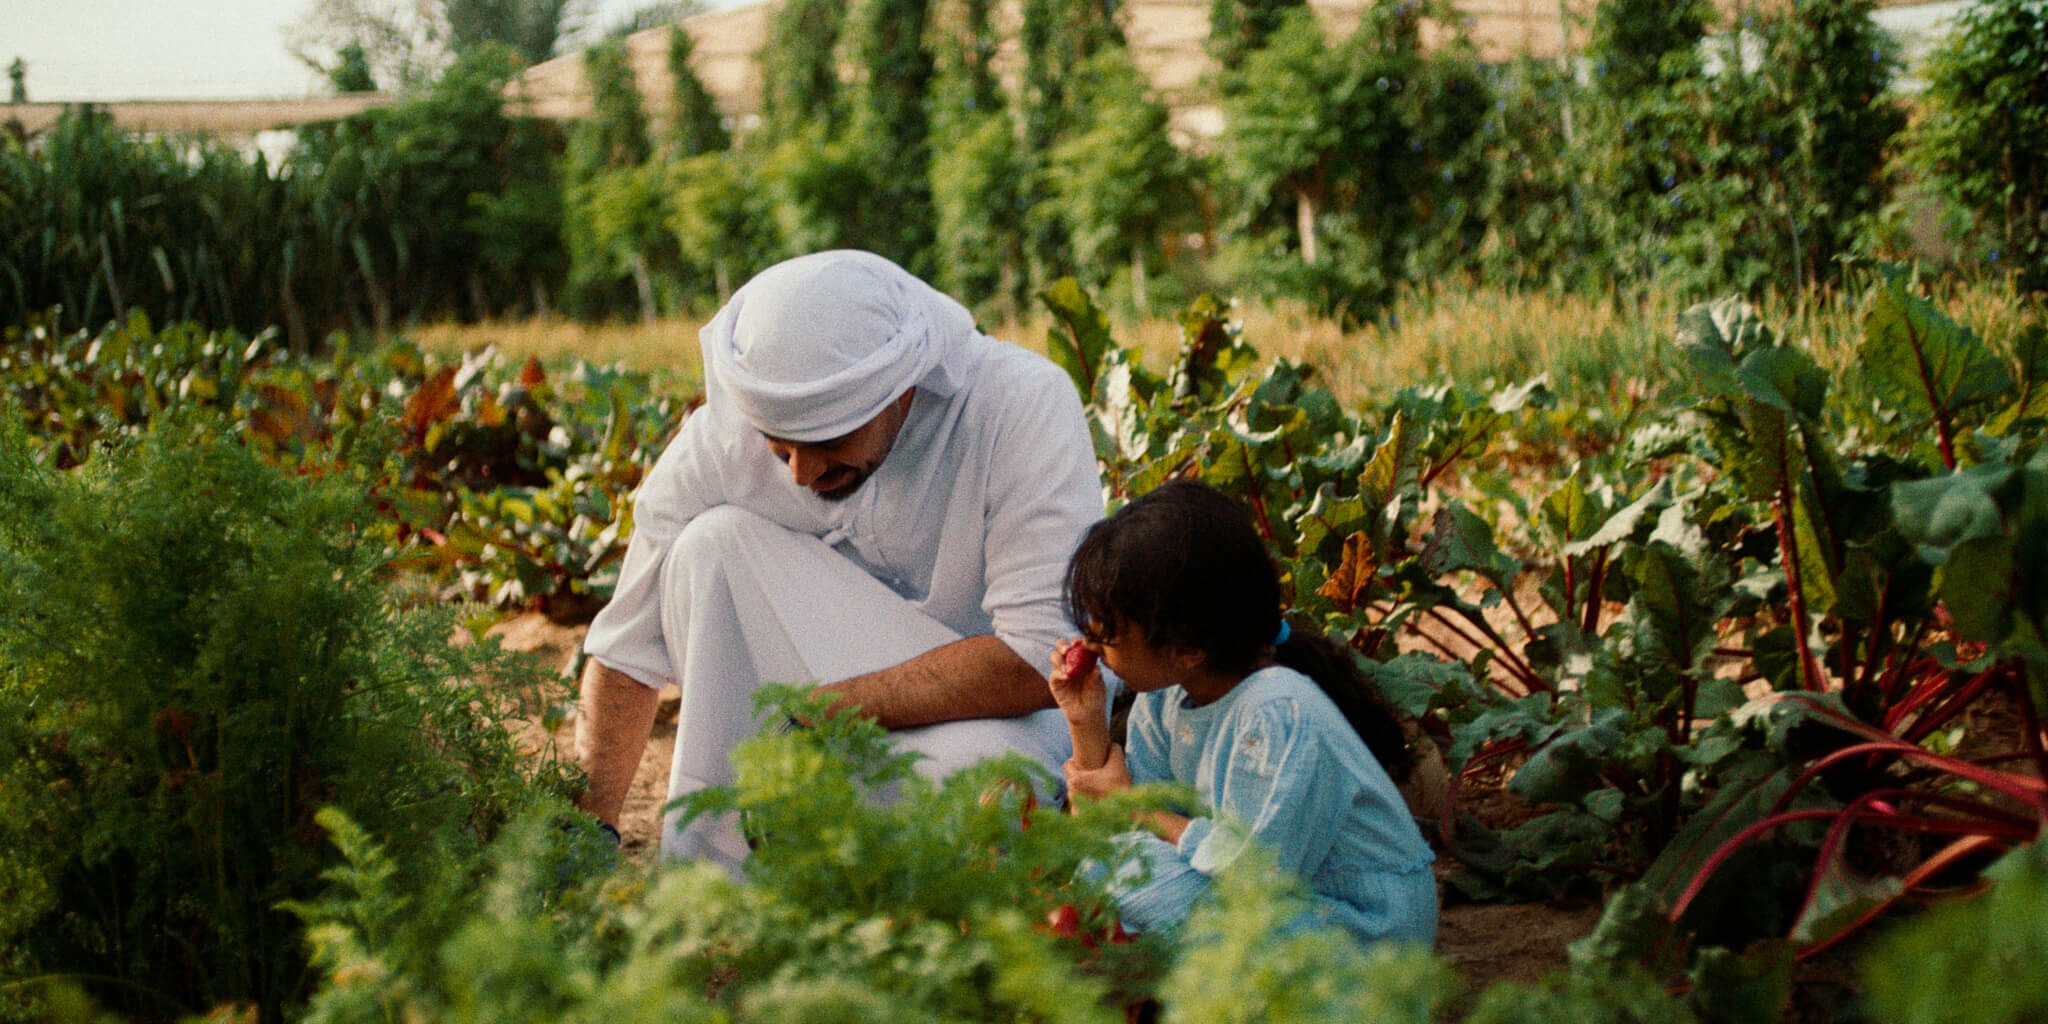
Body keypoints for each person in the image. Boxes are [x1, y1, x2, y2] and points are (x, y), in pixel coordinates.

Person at [575, 250, 1102, 868]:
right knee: (705, 547)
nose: (801, 473)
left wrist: (821, 714)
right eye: (779, 450)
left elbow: (1045, 655)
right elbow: (626, 644)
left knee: (973, 796)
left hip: (998, 723)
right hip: (817, 719)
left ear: (900, 390)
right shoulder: (722, 440)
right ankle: (717, 871)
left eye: (827, 443)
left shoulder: (1017, 404)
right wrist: (585, 834)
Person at [1048, 479, 1437, 948]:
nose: (1089, 644)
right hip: (1269, 899)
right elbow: (1111, 828)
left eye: (1107, 635)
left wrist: (1144, 810)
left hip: (1363, 933)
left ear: (1187, 646)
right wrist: (1084, 719)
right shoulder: (1165, 696)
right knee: (1108, 870)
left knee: (1136, 890)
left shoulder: (1277, 711)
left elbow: (1257, 873)